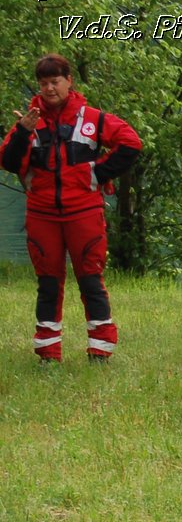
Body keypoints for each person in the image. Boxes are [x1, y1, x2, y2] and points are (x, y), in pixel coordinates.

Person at [1, 54, 142, 362]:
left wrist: (94, 174)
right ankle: (48, 355)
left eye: (55, 81)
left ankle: (100, 351)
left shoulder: (91, 118)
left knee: (90, 280)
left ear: (69, 82)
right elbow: (8, 162)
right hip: (42, 216)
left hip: (84, 213)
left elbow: (131, 144)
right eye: (43, 83)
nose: (49, 88)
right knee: (48, 283)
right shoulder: (29, 121)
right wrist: (23, 132)